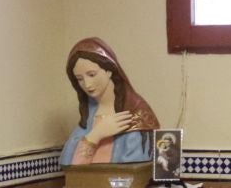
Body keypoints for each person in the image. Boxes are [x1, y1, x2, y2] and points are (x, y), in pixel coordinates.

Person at [59, 37, 159, 165]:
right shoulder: (89, 114)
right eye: (79, 79)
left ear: (109, 70)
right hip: (83, 184)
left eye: (92, 75)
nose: (87, 84)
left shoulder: (136, 112)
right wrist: (96, 135)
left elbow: (133, 167)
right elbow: (69, 165)